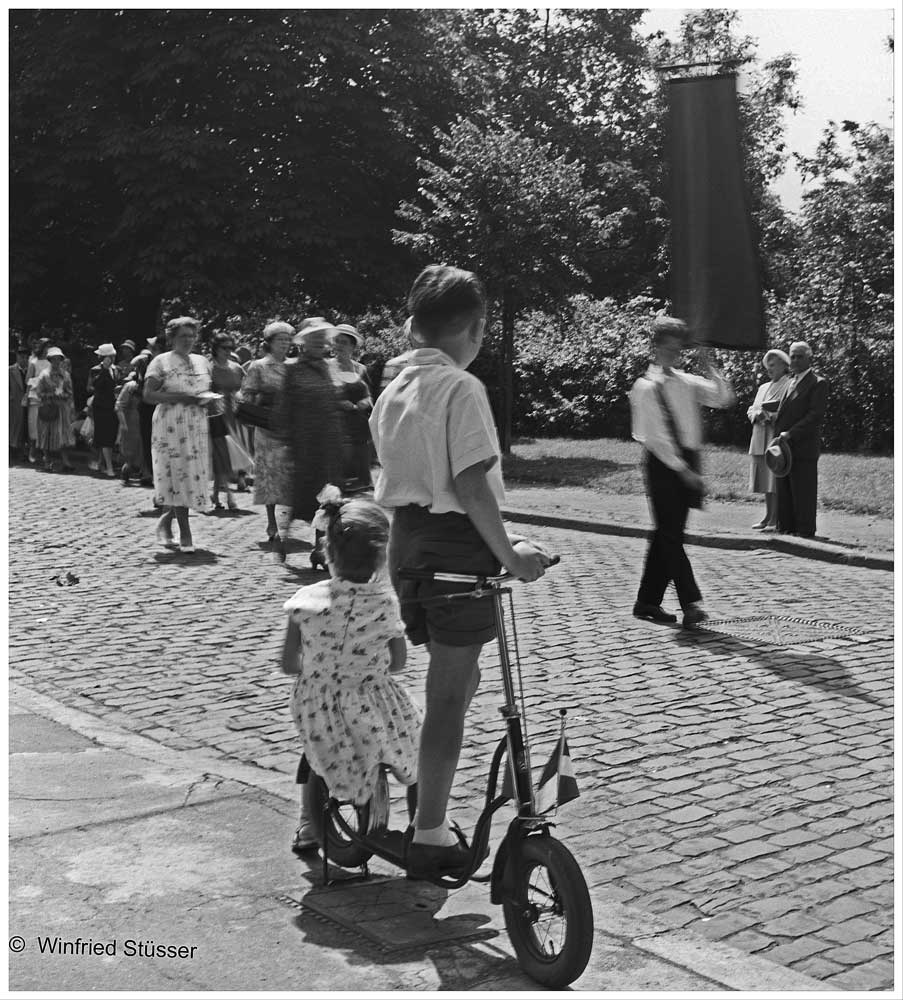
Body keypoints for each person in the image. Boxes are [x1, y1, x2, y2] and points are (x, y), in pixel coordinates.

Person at [369, 264, 549, 876]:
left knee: (456, 682)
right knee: (450, 696)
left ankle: (427, 780)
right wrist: (513, 555)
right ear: (474, 330)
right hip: (453, 546)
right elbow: (471, 485)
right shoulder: (462, 389)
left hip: (409, 544)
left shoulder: (393, 385)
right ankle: (429, 833)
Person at [281, 489, 421, 852]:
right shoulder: (386, 603)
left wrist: (320, 668)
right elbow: (400, 661)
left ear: (326, 551)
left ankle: (310, 825)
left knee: (316, 754)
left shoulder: (305, 601)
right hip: (373, 698)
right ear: (381, 559)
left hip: (318, 701)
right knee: (418, 741)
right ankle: (426, 822)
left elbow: (287, 663)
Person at [629, 315, 734, 629]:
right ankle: (692, 603)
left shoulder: (687, 382)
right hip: (663, 463)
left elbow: (723, 398)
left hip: (687, 458)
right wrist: (683, 470)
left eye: (679, 349)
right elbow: (655, 438)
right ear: (656, 347)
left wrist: (709, 364)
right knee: (672, 536)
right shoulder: (646, 386)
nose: (675, 354)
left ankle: (646, 601)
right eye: (669, 347)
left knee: (666, 534)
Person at [272, 318, 344, 560]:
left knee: (329, 497)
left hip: (328, 441)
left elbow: (334, 403)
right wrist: (286, 442)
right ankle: (283, 538)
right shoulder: (293, 369)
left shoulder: (330, 368)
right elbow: (283, 408)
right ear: (303, 343)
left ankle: (319, 548)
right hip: (304, 443)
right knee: (304, 496)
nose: (318, 343)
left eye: (321, 338)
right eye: (313, 338)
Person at [143, 316, 212, 553]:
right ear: (171, 337)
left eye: (192, 336)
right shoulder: (160, 362)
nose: (188, 340)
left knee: (191, 476)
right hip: (170, 424)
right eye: (183, 336)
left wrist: (207, 401)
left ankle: (166, 524)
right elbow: (149, 395)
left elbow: (203, 390)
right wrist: (181, 398)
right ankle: (185, 533)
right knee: (175, 474)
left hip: (196, 424)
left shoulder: (202, 361)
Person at [239, 321, 293, 545]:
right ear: (269, 343)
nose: (285, 344)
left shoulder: (295, 366)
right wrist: (262, 400)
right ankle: (272, 522)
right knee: (270, 475)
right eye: (280, 340)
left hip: (291, 427)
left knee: (290, 475)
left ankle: (289, 520)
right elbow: (246, 395)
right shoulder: (258, 366)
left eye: (288, 340)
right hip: (267, 426)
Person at [772, 341, 829, 539]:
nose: (794, 360)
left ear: (809, 358)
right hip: (784, 447)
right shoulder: (790, 381)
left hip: (803, 447)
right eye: (792, 356)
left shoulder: (818, 383)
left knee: (802, 490)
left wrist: (791, 433)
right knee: (785, 490)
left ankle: (804, 531)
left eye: (799, 356)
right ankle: (786, 529)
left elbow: (815, 416)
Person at [746, 349, 791, 530]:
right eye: (768, 366)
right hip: (759, 436)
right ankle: (767, 516)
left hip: (774, 437)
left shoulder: (788, 385)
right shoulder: (763, 387)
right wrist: (756, 415)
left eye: (773, 365)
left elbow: (787, 410)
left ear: (784, 365)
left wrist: (771, 417)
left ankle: (775, 518)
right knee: (764, 479)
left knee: (774, 479)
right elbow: (752, 408)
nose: (769, 369)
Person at [207, 330, 246, 510]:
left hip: (234, 414)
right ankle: (229, 497)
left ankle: (215, 494)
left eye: (231, 347)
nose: (228, 351)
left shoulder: (236, 368)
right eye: (224, 347)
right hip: (215, 414)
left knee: (229, 456)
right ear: (215, 348)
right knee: (220, 454)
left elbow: (244, 389)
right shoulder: (208, 368)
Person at [331, 323, 373, 489]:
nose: (339, 345)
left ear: (353, 346)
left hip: (359, 427)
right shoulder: (326, 367)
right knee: (339, 479)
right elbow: (319, 395)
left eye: (344, 342)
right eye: (337, 341)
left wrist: (366, 402)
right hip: (336, 427)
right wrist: (339, 403)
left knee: (361, 479)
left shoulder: (360, 368)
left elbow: (369, 394)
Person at [33, 346, 76, 472]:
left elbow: (70, 392)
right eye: (54, 359)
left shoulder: (65, 375)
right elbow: (38, 392)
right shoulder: (44, 375)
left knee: (62, 436)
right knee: (46, 435)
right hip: (48, 409)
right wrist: (51, 395)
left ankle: (65, 462)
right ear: (50, 360)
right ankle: (47, 461)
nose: (57, 362)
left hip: (62, 410)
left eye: (59, 359)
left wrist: (62, 395)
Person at [115, 355, 150, 483]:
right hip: (132, 422)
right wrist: (123, 423)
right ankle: (128, 469)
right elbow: (119, 405)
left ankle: (146, 473)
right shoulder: (130, 386)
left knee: (146, 448)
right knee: (132, 451)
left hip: (146, 420)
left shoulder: (151, 385)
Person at [87, 343, 120, 477]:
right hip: (101, 407)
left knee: (110, 435)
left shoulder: (116, 369)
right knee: (105, 436)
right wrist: (104, 370)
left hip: (113, 406)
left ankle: (101, 463)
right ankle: (109, 466)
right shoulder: (96, 369)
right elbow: (95, 385)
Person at [25, 337, 52, 464]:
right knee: (33, 425)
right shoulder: (34, 362)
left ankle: (45, 453)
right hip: (35, 397)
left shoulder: (51, 363)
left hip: (47, 398)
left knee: (46, 425)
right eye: (47, 347)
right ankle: (32, 450)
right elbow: (28, 381)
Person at [9, 344, 30, 462]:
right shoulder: (10, 370)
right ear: (17, 357)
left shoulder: (30, 370)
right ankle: (12, 451)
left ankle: (22, 452)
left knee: (24, 427)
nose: (24, 359)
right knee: (13, 427)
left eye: (26, 357)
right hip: (14, 403)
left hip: (27, 403)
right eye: (22, 357)